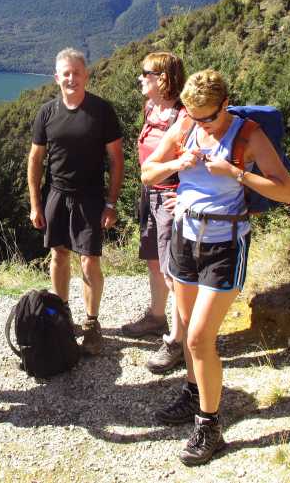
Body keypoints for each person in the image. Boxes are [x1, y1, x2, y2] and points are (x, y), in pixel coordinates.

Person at [142, 69, 290, 465]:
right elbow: (148, 173)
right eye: (193, 114)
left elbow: (286, 192)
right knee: (189, 325)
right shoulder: (186, 123)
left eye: (208, 116)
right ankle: (195, 394)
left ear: (226, 104)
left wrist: (238, 174)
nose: (199, 122)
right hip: (184, 238)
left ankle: (209, 426)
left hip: (225, 243)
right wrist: (178, 160)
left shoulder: (248, 136)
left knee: (196, 338)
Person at [27, 48, 124, 355]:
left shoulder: (102, 110)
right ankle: (62, 316)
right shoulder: (47, 113)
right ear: (57, 78)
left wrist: (111, 203)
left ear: (86, 75)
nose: (71, 78)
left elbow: (116, 159)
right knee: (58, 255)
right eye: (65, 73)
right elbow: (35, 160)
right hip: (56, 193)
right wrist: (35, 203)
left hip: (91, 196)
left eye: (76, 72)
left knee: (89, 259)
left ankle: (92, 324)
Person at [120, 52, 187, 376]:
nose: (140, 78)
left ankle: (178, 341)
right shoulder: (151, 109)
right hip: (151, 195)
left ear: (162, 78)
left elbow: (197, 159)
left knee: (174, 271)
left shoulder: (183, 116)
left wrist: (186, 195)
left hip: (172, 199)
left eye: (145, 73)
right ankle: (156, 316)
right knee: (154, 260)